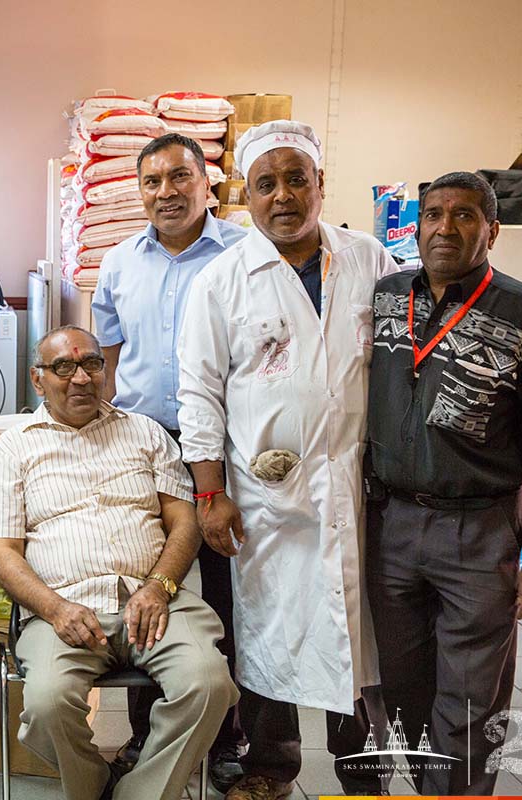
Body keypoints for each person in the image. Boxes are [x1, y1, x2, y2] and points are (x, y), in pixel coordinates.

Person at [176, 120, 396, 800]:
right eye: (266, 184)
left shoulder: (369, 260)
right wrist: (210, 494)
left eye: (296, 179)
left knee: (358, 634)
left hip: (356, 485)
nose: (283, 196)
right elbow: (198, 393)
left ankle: (364, 775)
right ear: (246, 196)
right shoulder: (222, 279)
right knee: (268, 630)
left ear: (321, 184)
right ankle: (271, 766)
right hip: (266, 494)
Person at [365, 171, 522, 795]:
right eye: (433, 214)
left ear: (492, 230)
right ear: (416, 227)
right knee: (402, 686)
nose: (445, 228)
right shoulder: (387, 295)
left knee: (469, 696)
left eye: (464, 216)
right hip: (391, 524)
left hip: (478, 529)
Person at [0, 325, 238, 800]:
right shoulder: (14, 448)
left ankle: (140, 794)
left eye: (91, 364)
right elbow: (2, 551)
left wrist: (158, 587)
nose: (81, 378)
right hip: (62, 610)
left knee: (209, 685)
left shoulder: (145, 433)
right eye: (63, 367)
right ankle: (94, 785)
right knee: (48, 704)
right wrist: (54, 608)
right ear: (38, 379)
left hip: (154, 601)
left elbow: (185, 522)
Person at [91, 132, 247, 788]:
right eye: (152, 182)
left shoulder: (246, 254)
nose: (167, 192)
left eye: (180, 177)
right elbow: (106, 363)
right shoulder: (119, 263)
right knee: (148, 584)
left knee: (232, 592)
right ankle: (146, 734)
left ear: (207, 183)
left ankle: (231, 736)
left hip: (229, 447)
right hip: (144, 444)